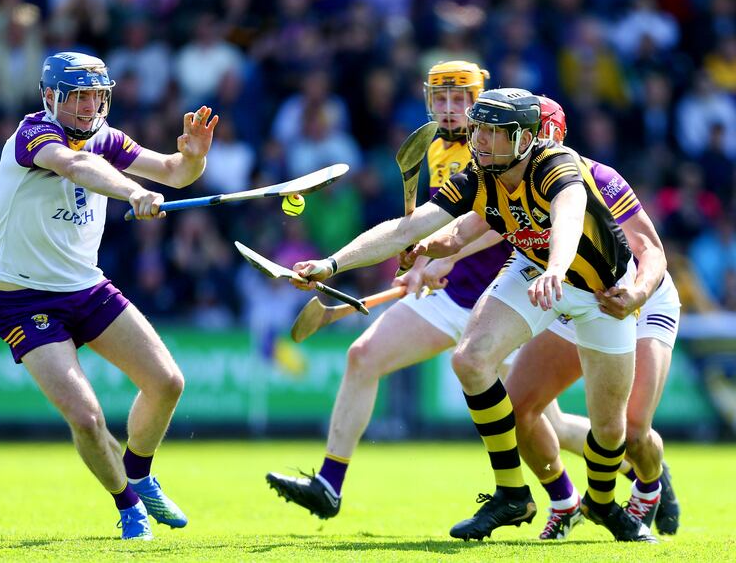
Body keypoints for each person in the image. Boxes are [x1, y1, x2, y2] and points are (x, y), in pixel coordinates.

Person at [284, 87, 655, 542]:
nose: (478, 139)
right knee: (470, 360)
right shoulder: (479, 176)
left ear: (523, 139)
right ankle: (512, 494)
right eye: (477, 129)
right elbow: (409, 228)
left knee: (610, 427)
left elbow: (568, 219)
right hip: (532, 271)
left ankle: (602, 503)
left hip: (601, 290)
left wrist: (561, 270)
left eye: (491, 132)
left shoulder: (557, 166)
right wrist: (333, 264)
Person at [0, 52, 219, 540]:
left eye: (97, 96)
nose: (90, 107)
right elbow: (75, 165)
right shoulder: (33, 135)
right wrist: (133, 192)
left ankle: (139, 474)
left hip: (86, 288)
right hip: (25, 301)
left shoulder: (106, 136)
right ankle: (128, 506)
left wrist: (194, 157)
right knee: (87, 419)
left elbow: (172, 172)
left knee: (168, 383)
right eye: (79, 97)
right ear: (51, 96)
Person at [417, 97, 680, 539]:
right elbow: (486, 227)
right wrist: (434, 254)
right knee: (520, 410)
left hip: (639, 291)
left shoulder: (596, 179)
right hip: (568, 289)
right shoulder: (509, 177)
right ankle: (564, 501)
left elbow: (650, 250)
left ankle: (650, 484)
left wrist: (636, 294)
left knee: (633, 432)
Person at [266, 60, 514, 520]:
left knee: (538, 422)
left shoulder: (499, 148)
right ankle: (328, 485)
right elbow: (426, 225)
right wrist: (412, 265)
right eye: (441, 98)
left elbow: (497, 223)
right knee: (363, 356)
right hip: (449, 296)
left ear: (480, 100)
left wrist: (442, 260)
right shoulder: (436, 150)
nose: (449, 108)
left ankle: (607, 482)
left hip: (506, 301)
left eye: (460, 98)